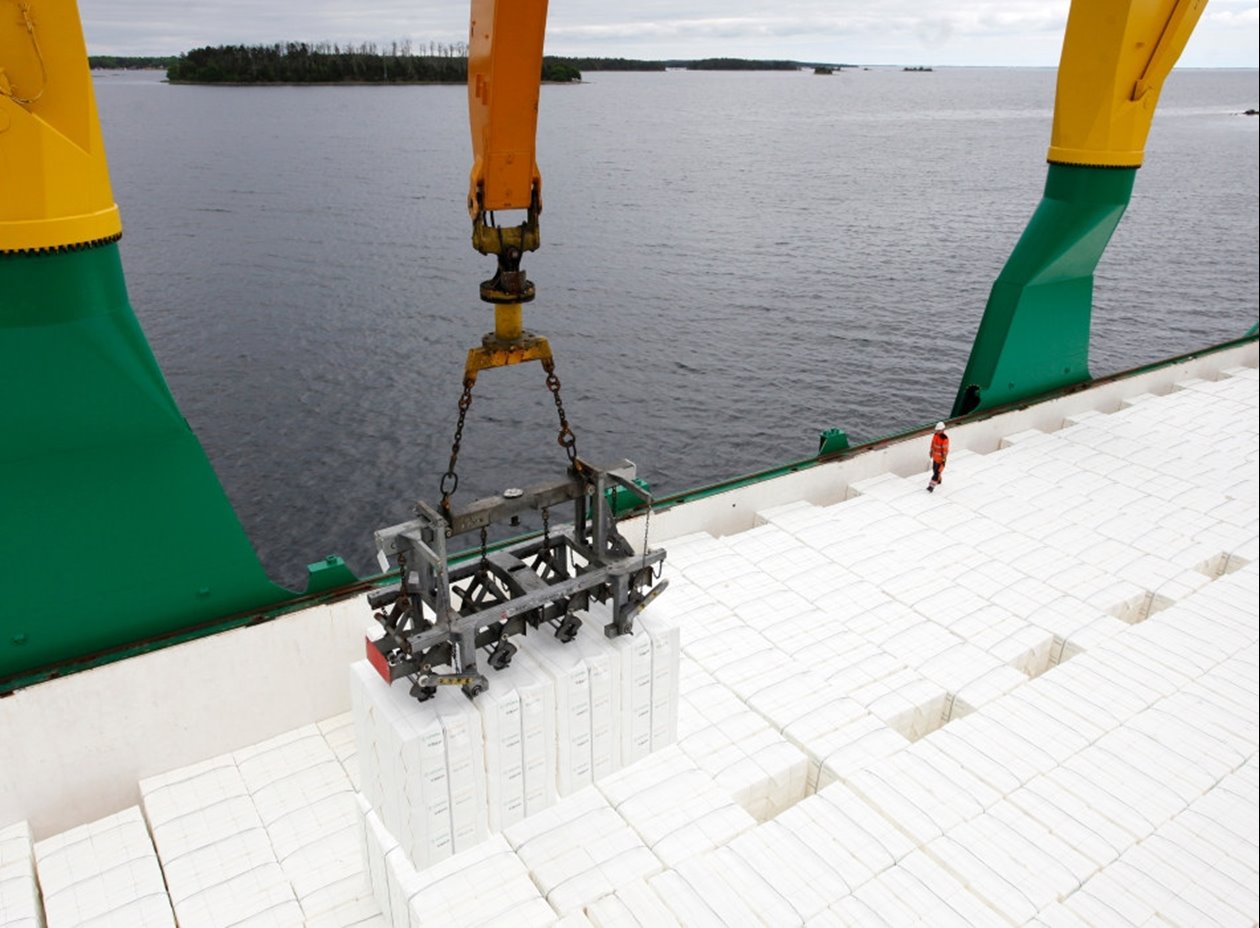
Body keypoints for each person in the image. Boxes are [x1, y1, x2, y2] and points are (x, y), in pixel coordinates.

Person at [927, 421, 949, 492]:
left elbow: (945, 450)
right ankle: (939, 480)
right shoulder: (935, 435)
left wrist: (944, 459)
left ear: (942, 430)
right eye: (937, 430)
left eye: (939, 430)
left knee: (936, 472)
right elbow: (933, 444)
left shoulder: (944, 439)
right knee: (934, 470)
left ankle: (931, 486)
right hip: (935, 457)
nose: (937, 431)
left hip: (940, 459)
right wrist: (931, 451)